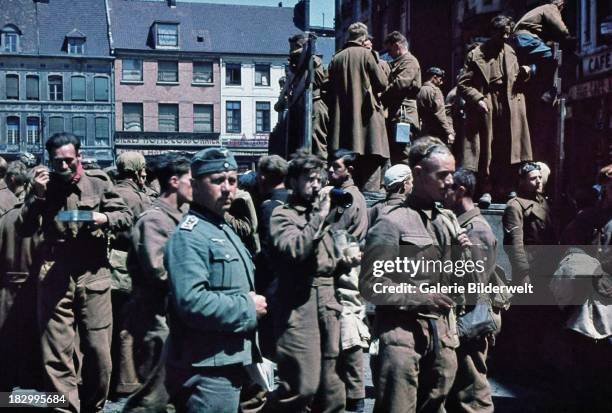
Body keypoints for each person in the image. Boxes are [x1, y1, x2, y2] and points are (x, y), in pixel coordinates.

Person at [20, 132, 133, 413]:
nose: (64, 167)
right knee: (57, 351)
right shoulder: (42, 187)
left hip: (93, 273)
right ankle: (65, 408)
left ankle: (93, 406)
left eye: (69, 160)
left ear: (79, 157)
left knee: (99, 352)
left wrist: (104, 218)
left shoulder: (98, 183)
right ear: (50, 160)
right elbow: (23, 226)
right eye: (57, 162)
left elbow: (127, 217)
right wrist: (37, 196)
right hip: (55, 273)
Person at [360, 141, 468, 413]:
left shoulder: (445, 221)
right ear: (418, 174)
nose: (450, 181)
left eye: (452, 174)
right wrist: (422, 297)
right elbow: (371, 286)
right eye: (442, 175)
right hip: (401, 337)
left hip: (441, 337)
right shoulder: (391, 222)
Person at [164, 148, 267, 413]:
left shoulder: (221, 227)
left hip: (231, 360)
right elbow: (191, 302)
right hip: (206, 368)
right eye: (217, 180)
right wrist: (247, 307)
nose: (227, 188)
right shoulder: (190, 236)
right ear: (196, 186)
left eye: (232, 181)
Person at [265, 151, 347, 412]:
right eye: (309, 179)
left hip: (327, 302)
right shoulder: (282, 215)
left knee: (332, 389)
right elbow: (295, 250)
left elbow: (326, 261)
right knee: (302, 386)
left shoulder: (318, 214)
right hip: (298, 305)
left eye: (318, 179)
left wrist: (346, 257)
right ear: (292, 181)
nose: (316, 184)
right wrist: (319, 217)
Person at [122, 154, 193, 413]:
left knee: (173, 393)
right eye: (191, 180)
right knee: (154, 395)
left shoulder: (180, 216)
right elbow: (158, 270)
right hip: (155, 319)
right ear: (174, 182)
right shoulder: (154, 219)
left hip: (173, 316)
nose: (195, 186)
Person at [458, 15, 533, 204]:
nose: (506, 37)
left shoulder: (512, 52)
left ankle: (509, 187)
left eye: (508, 33)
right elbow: (463, 84)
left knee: (508, 147)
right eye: (502, 34)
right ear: (492, 33)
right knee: (486, 148)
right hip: (487, 102)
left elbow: (522, 76)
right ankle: (486, 189)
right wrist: (478, 99)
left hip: (510, 103)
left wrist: (527, 73)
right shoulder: (475, 54)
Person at [443, 168, 499, 413]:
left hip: (470, 316)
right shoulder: (463, 224)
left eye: (448, 188)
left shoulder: (474, 229)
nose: (443, 193)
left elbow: (476, 280)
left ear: (460, 192)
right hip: (466, 313)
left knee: (473, 392)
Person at [327, 149, 369, 412]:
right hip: (346, 261)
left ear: (349, 170)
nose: (331, 171)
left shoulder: (349, 197)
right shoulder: (349, 194)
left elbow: (337, 230)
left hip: (345, 265)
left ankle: (355, 396)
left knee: (348, 332)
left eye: (336, 167)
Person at [109, 151, 152, 397]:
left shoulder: (113, 191)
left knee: (116, 325)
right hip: (131, 266)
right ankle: (127, 380)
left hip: (114, 265)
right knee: (129, 326)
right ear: (138, 171)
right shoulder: (140, 198)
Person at [328, 22, 389, 192]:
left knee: (348, 176)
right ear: (363, 38)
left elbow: (328, 89)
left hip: (343, 128)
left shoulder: (336, 58)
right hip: (367, 125)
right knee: (371, 173)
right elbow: (382, 83)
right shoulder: (367, 55)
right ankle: (368, 211)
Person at [511, 0, 571, 102]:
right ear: (561, 4)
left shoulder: (539, 10)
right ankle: (549, 92)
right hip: (527, 38)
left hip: (518, 39)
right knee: (551, 57)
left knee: (538, 59)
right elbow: (561, 29)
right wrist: (568, 36)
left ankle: (529, 70)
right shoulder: (551, 8)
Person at [381, 31, 421, 163]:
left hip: (404, 116)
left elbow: (400, 84)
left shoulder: (409, 61)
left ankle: (406, 182)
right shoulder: (400, 62)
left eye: (390, 49)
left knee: (404, 155)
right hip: (398, 114)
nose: (389, 54)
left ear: (397, 46)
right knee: (396, 153)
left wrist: (382, 95)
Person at [417, 67, 455, 145]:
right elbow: (440, 114)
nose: (441, 83)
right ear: (434, 77)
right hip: (436, 132)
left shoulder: (420, 90)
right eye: (440, 79)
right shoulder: (435, 91)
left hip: (424, 130)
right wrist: (449, 132)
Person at [367, 163, 413, 227]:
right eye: (411, 182)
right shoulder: (410, 211)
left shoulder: (374, 208)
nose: (412, 185)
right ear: (404, 185)